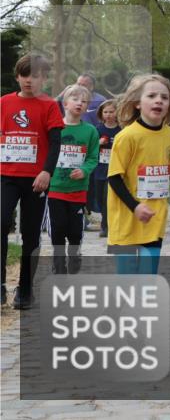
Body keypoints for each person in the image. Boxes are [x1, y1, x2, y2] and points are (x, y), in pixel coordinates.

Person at [106, 74, 170, 275]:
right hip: (126, 218)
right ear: (137, 103)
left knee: (147, 277)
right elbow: (114, 178)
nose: (159, 100)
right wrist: (135, 206)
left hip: (154, 217)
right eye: (151, 95)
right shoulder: (126, 137)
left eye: (164, 97)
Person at [1, 53, 64, 309]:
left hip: (36, 180)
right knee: (1, 223)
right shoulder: (4, 103)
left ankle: (25, 289)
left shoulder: (49, 105)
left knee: (30, 234)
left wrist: (47, 171)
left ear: (44, 79)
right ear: (18, 76)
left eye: (36, 76)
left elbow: (56, 142)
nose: (30, 81)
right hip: (6, 176)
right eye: (25, 75)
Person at [47, 84, 99, 275]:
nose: (80, 103)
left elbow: (93, 157)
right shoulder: (54, 128)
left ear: (87, 107)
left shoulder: (91, 131)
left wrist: (84, 170)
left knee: (76, 232)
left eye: (84, 101)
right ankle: (58, 262)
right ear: (65, 103)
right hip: (55, 187)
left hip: (78, 190)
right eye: (75, 99)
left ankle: (75, 253)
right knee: (58, 228)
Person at [93, 99, 120, 238]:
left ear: (117, 113)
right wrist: (99, 143)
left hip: (116, 170)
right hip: (100, 170)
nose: (108, 114)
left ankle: (106, 226)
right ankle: (105, 222)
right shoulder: (97, 129)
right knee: (99, 198)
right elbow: (91, 149)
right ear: (101, 114)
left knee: (108, 198)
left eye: (111, 111)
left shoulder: (121, 130)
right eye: (106, 112)